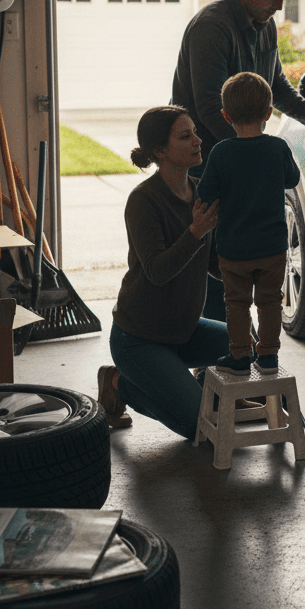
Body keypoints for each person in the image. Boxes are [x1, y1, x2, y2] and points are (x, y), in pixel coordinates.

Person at [171, 0, 305, 319]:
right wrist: (251, 152)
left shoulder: (265, 28)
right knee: (212, 267)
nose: (279, 5)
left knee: (239, 263)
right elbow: (208, 105)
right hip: (206, 168)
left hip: (239, 158)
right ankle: (215, 353)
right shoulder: (211, 28)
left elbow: (277, 86)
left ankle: (236, 344)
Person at [98, 105, 235, 439]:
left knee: (246, 344)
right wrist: (195, 233)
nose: (198, 140)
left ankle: (193, 391)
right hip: (139, 338)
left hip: (184, 330)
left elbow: (214, 263)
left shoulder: (203, 191)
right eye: (185, 136)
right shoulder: (144, 200)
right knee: (197, 425)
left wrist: (248, 272)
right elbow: (158, 271)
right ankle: (119, 383)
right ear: (160, 152)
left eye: (195, 132)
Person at [196, 72, 300, 377]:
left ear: (226, 116)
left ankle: (240, 355)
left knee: (237, 303)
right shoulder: (277, 148)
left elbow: (205, 193)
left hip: (233, 248)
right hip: (272, 246)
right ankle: (268, 356)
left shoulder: (221, 152)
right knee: (270, 301)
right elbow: (292, 179)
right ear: (269, 113)